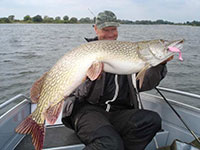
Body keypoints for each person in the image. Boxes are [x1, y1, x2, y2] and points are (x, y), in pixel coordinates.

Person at [62, 10, 171, 150]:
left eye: (113, 29)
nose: (110, 34)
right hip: (87, 111)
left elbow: (143, 84)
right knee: (110, 143)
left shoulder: (127, 53)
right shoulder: (85, 52)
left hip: (117, 112)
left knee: (151, 120)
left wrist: (160, 65)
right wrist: (91, 77)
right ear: (95, 29)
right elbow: (76, 92)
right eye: (105, 30)